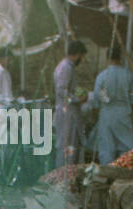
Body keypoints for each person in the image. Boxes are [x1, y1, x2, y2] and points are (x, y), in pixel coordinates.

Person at [86, 44, 133, 166]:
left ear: (107, 57)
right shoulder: (128, 75)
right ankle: (123, 173)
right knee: (126, 146)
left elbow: (96, 101)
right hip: (123, 113)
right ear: (120, 58)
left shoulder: (102, 76)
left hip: (106, 114)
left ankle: (106, 175)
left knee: (106, 148)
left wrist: (95, 118)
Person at [54, 39, 87, 168]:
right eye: (81, 56)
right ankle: (62, 177)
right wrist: (78, 100)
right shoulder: (66, 67)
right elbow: (61, 90)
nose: (82, 60)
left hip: (68, 112)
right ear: (77, 54)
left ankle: (66, 175)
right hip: (67, 113)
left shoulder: (66, 67)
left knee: (69, 147)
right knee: (67, 147)